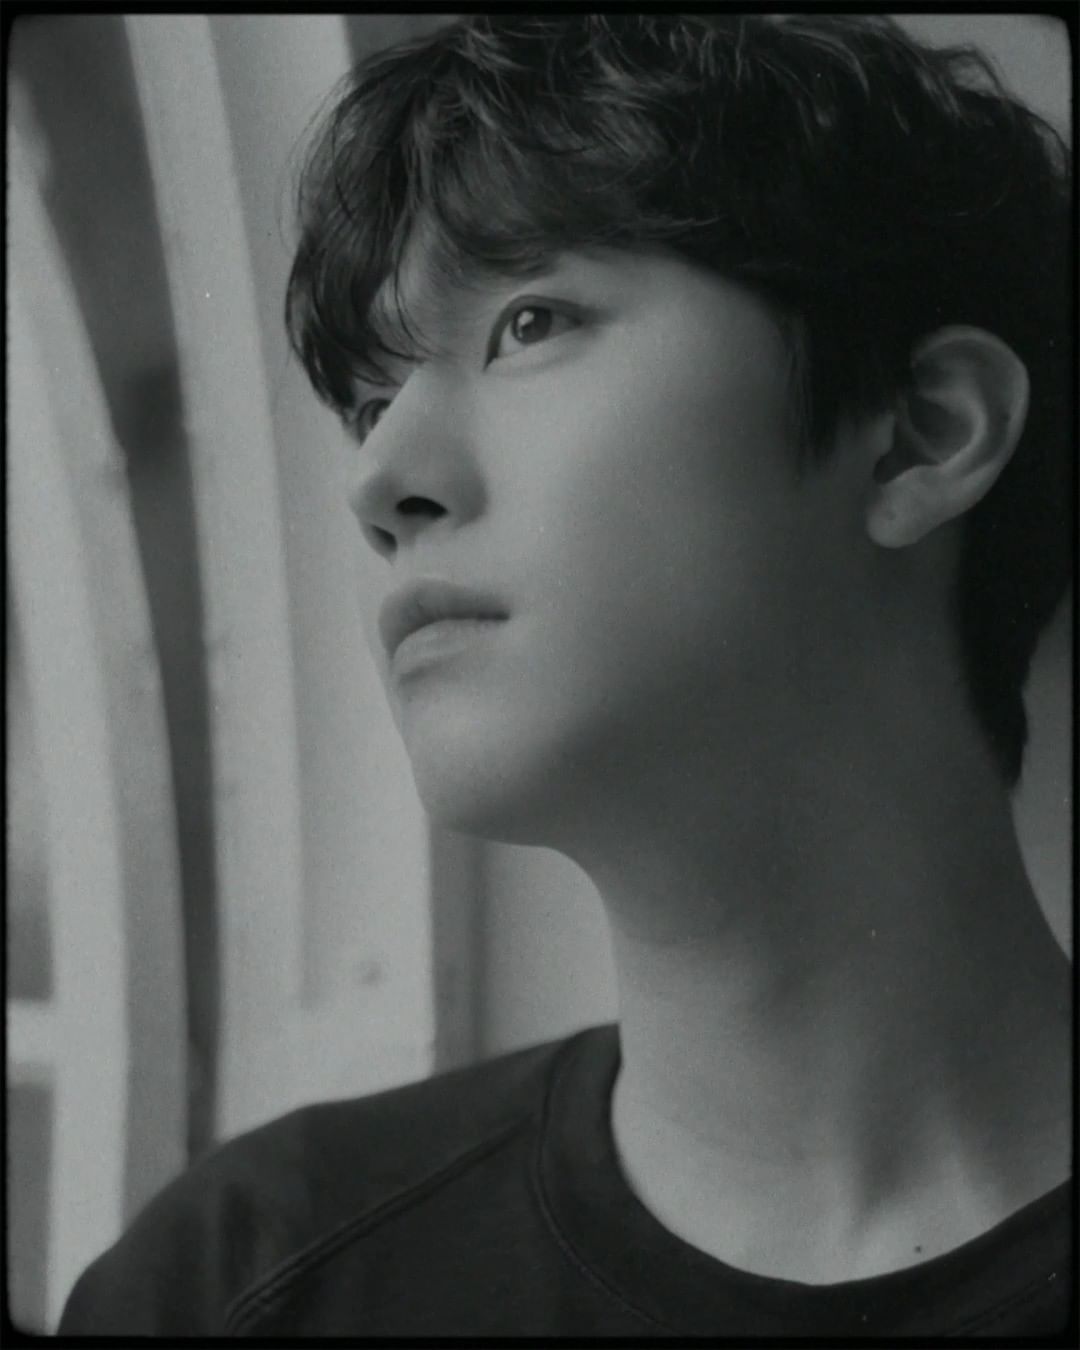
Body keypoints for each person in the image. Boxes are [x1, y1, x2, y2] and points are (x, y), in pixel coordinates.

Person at [59, 14, 1072, 1337]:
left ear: (920, 435)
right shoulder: (233, 1284)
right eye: (367, 402)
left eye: (528, 324)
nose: (379, 481)